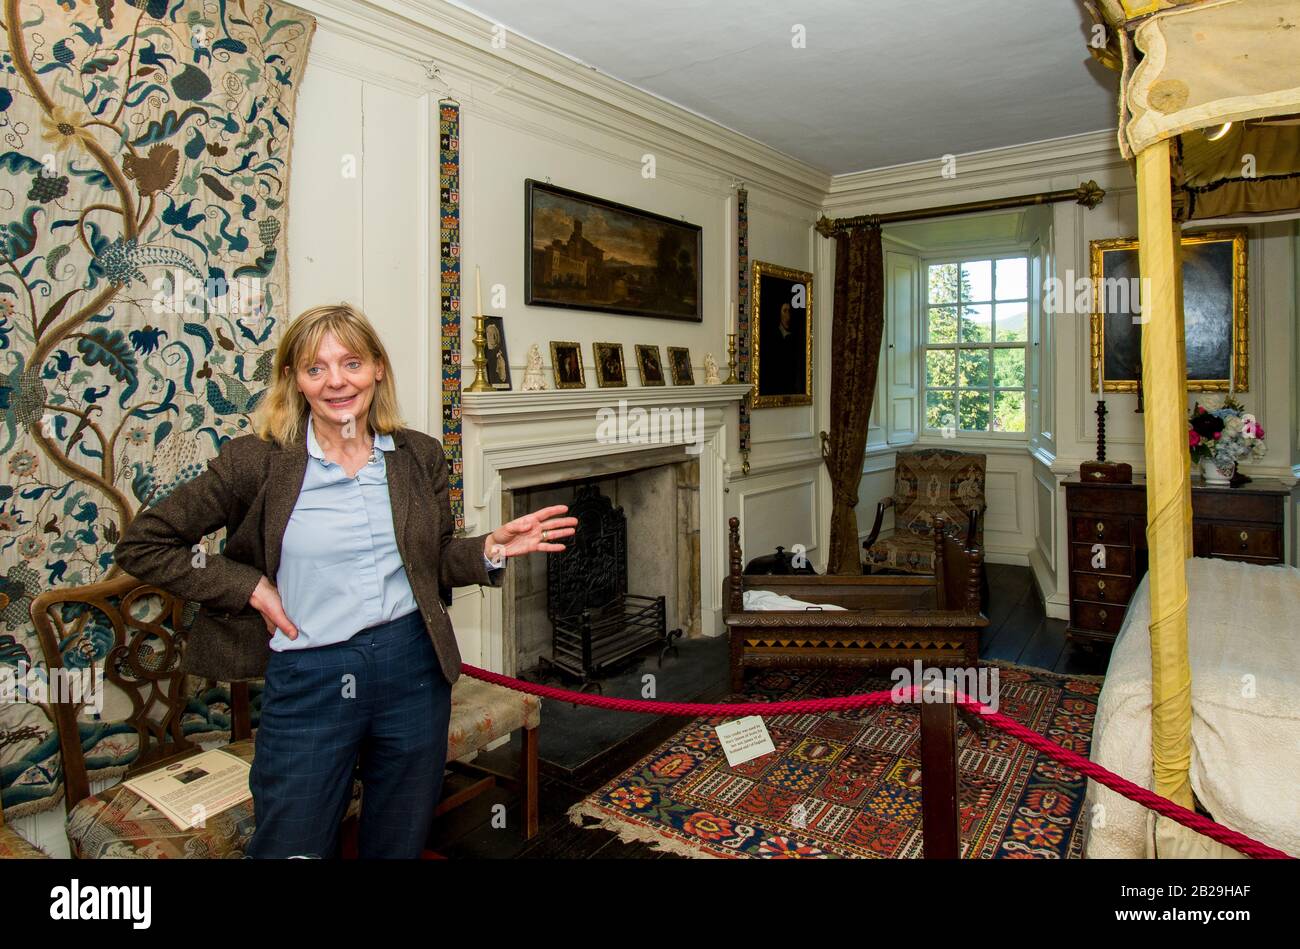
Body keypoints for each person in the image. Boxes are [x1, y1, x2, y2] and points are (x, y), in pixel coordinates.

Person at [113, 302, 576, 858]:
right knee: (292, 845)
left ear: (378, 368)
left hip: (413, 668)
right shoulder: (256, 462)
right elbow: (144, 544)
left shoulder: (418, 455)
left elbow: (429, 563)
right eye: (316, 368)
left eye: (351, 363)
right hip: (311, 676)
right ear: (294, 380)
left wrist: (489, 551)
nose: (336, 381)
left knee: (399, 841)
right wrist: (249, 587)